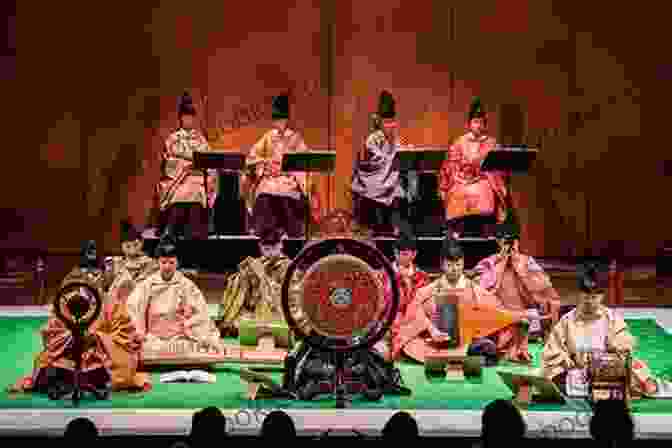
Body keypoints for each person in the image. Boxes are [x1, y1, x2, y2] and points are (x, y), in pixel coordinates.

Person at [9, 240, 150, 395]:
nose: (91, 278)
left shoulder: (112, 303)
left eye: (96, 274)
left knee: (116, 368)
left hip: (101, 358)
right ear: (80, 275)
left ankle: (84, 380)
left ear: (102, 275)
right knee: (50, 367)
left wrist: (97, 339)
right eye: (86, 273)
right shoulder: (67, 301)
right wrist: (72, 337)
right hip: (69, 356)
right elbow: (52, 333)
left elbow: (124, 335)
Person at [391, 237, 527, 363]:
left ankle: (471, 349)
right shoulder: (427, 290)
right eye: (450, 265)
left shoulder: (475, 290)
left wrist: (515, 317)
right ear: (442, 265)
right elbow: (414, 313)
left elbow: (496, 312)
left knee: (503, 331)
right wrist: (432, 329)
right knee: (410, 343)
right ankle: (466, 353)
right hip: (434, 341)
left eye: (458, 265)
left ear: (463, 264)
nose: (454, 269)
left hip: (469, 339)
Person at [542, 262, 665, 397]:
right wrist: (569, 361)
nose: (589, 301)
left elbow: (626, 343)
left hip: (608, 372)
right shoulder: (567, 321)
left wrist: (615, 346)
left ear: (602, 297)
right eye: (586, 296)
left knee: (638, 374)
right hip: (577, 373)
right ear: (579, 295)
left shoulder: (611, 318)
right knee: (555, 379)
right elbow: (552, 353)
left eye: (594, 297)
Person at [474, 216, 561, 362]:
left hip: (524, 317)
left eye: (509, 240)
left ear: (515, 241)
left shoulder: (527, 262)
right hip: (497, 318)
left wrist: (520, 267)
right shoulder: (488, 263)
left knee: (528, 318)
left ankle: (520, 348)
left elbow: (546, 290)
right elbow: (478, 290)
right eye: (502, 239)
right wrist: (499, 263)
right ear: (497, 241)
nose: (505, 244)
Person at [126, 232, 223, 355]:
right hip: (152, 340)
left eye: (171, 263)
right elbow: (134, 310)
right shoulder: (146, 285)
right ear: (158, 263)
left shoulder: (187, 286)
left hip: (179, 339)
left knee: (195, 347)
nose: (167, 267)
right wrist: (140, 333)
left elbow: (200, 314)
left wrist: (190, 325)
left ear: (177, 263)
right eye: (163, 262)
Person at [242, 94, 317, 238]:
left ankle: (291, 232)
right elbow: (252, 156)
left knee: (286, 193)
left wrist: (291, 170)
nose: (279, 123)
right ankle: (265, 234)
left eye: (282, 120)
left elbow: (304, 160)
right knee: (264, 194)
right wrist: (264, 164)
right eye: (277, 120)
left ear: (287, 120)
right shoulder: (268, 137)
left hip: (287, 177)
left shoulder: (295, 138)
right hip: (270, 178)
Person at [218, 226, 309, 336]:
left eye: (273, 248)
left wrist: (263, 277)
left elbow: (291, 299)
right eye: (266, 249)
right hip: (255, 313)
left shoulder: (289, 268)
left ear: (281, 245)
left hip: (281, 313)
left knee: (298, 322)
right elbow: (241, 296)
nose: (270, 253)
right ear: (260, 247)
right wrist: (242, 277)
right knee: (236, 322)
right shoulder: (255, 264)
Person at [438, 97, 508, 237]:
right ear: (469, 123)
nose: (478, 125)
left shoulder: (492, 143)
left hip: (484, 179)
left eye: (481, 122)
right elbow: (450, 165)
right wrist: (460, 174)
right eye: (475, 122)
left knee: (483, 190)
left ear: (485, 124)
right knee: (457, 190)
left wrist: (484, 172)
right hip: (462, 179)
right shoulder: (459, 142)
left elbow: (499, 167)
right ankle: (457, 230)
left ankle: (485, 230)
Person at [157, 92, 218, 237]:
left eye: (191, 118)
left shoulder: (200, 139)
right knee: (180, 194)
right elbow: (169, 161)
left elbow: (209, 162)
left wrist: (198, 167)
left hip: (197, 178)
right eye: (185, 117)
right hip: (179, 179)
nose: (188, 120)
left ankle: (196, 233)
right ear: (180, 119)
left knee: (197, 193)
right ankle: (172, 233)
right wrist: (184, 166)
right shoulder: (173, 139)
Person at [351, 91, 406, 236]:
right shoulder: (372, 139)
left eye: (393, 121)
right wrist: (392, 156)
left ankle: (395, 230)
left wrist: (404, 152)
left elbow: (399, 154)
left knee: (401, 191)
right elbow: (375, 160)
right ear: (380, 123)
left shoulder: (395, 139)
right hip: (373, 180)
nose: (391, 125)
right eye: (387, 122)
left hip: (389, 180)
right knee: (381, 189)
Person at [384, 233, 430, 360]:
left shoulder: (422, 277)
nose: (400, 257)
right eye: (397, 253)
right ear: (394, 252)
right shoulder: (383, 275)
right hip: (390, 321)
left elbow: (424, 305)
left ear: (414, 254)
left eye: (405, 254)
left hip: (414, 322)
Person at [105, 220, 158, 304]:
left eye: (135, 244)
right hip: (117, 305)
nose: (132, 249)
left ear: (141, 243)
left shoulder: (151, 264)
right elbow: (107, 285)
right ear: (122, 246)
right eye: (128, 246)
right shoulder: (115, 263)